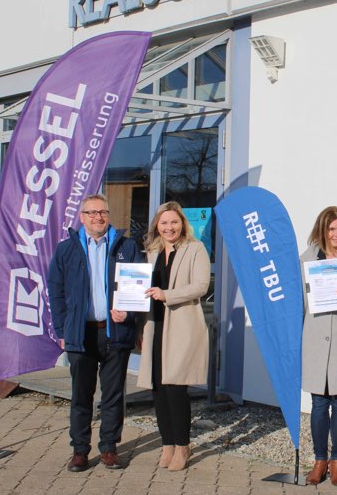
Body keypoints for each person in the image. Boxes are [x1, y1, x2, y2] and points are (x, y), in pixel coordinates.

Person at [49, 193, 143, 472]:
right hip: (80, 334)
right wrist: (61, 329)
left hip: (115, 332)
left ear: (108, 215)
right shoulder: (66, 250)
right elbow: (56, 292)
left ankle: (109, 449)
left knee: (113, 396)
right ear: (82, 218)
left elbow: (138, 288)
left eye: (102, 212)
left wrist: (129, 314)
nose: (97, 217)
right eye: (91, 213)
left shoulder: (127, 246)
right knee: (81, 396)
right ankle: (79, 451)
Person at [137, 202, 211, 472]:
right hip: (155, 325)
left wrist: (167, 295)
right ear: (157, 225)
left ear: (182, 224)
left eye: (174, 222)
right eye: (164, 223)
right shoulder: (152, 252)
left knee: (175, 388)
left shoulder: (195, 248)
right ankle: (167, 443)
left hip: (181, 326)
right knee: (158, 389)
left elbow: (201, 286)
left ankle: (182, 445)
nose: (169, 228)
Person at [301, 206, 337, 487]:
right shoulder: (306, 260)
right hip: (316, 339)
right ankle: (319, 460)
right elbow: (299, 302)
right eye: (332, 229)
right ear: (322, 231)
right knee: (318, 403)